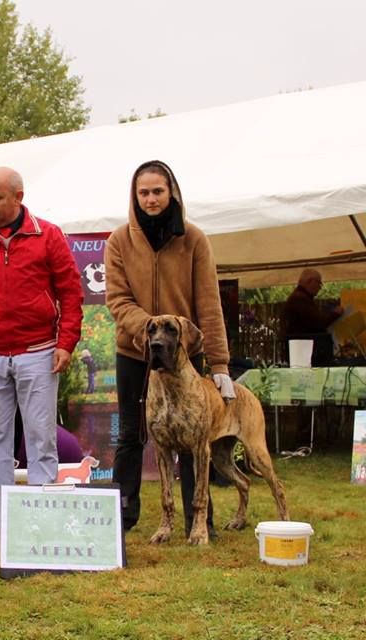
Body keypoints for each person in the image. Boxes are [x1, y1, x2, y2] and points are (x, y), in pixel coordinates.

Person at [0, 167, 84, 540]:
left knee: (41, 436)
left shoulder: (48, 236)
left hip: (39, 351)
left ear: (18, 197)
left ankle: (41, 516)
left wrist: (66, 342)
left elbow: (71, 293)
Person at [104, 159, 236, 538]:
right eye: (143, 192)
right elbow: (117, 300)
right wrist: (152, 331)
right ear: (135, 196)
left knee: (194, 439)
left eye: (157, 191)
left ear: (171, 193)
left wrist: (221, 365)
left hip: (184, 355)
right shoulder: (119, 241)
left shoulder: (193, 239)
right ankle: (123, 515)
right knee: (131, 434)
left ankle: (200, 521)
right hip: (135, 353)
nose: (150, 199)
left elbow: (208, 305)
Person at [281, 268, 342, 366]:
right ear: (310, 281)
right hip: (304, 352)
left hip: (302, 350)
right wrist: (335, 314)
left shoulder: (299, 297)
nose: (320, 287)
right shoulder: (299, 299)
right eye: (319, 283)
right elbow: (317, 324)